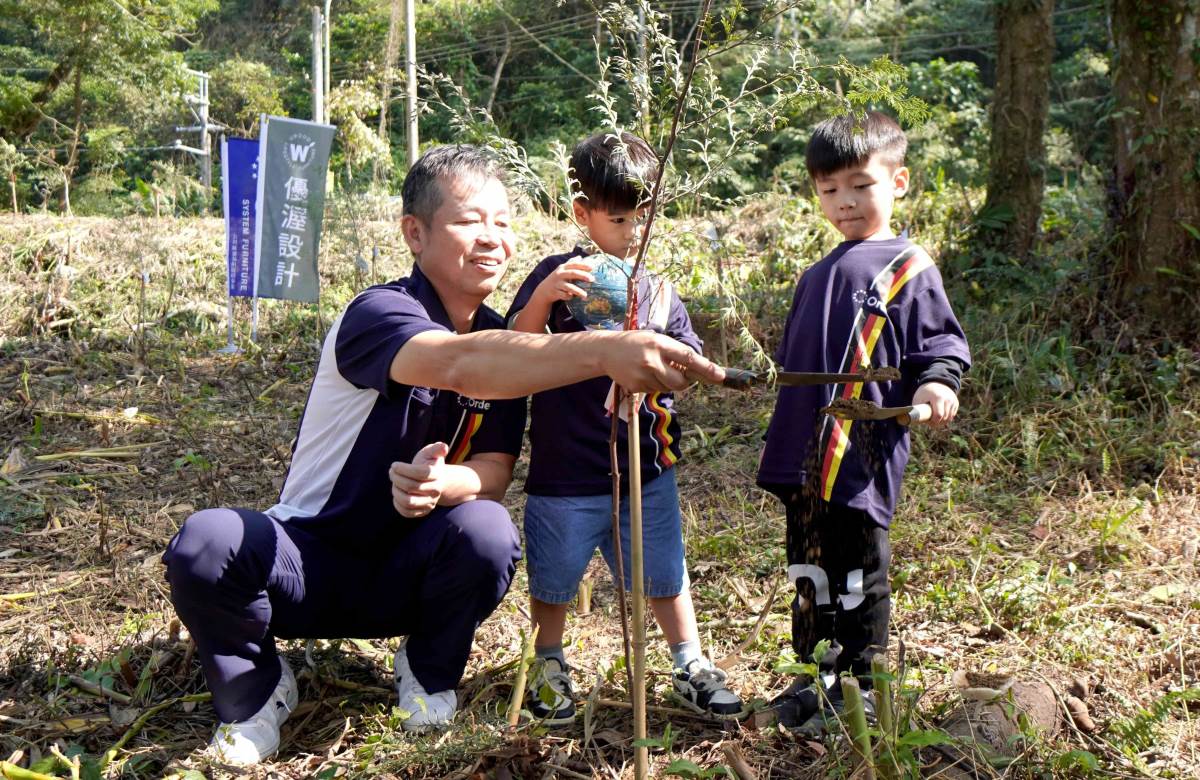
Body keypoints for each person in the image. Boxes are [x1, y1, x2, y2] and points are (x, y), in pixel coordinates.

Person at [162, 144, 727, 766]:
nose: (492, 239)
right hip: (310, 564)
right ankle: (255, 693)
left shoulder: (506, 343)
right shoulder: (378, 312)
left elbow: (495, 467)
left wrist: (449, 482)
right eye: (469, 220)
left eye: (503, 222)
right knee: (209, 541)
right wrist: (604, 351)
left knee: (487, 528)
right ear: (415, 232)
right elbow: (460, 363)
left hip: (410, 573)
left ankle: (427, 669)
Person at [505, 131, 743, 724]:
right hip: (565, 471)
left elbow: (685, 361)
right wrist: (541, 299)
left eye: (644, 216)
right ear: (582, 213)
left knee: (664, 570)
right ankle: (549, 660)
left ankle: (688, 662)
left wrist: (659, 374)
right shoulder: (559, 279)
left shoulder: (658, 292)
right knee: (555, 578)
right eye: (618, 218)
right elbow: (511, 346)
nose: (634, 231)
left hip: (646, 466)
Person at [757, 112, 971, 733]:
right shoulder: (817, 273)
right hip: (800, 455)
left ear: (898, 181)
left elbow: (941, 347)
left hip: (858, 454)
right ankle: (815, 678)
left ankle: (865, 687)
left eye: (860, 184)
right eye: (828, 190)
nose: (844, 202)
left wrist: (935, 386)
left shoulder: (909, 265)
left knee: (858, 573)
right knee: (807, 572)